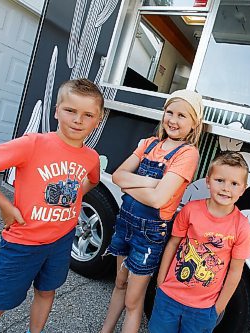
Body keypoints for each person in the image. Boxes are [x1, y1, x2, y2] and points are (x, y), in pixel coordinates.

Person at [0, 78, 104, 333]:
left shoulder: (90, 157)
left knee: (47, 292)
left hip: (61, 241)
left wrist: (73, 198)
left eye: (88, 114)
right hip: (22, 242)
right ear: (56, 109)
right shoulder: (33, 144)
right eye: (70, 110)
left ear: (98, 119)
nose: (78, 120)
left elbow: (92, 180)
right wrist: (6, 205)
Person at [100, 89, 204, 333]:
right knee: (119, 283)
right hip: (125, 224)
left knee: (133, 301)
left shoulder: (187, 154)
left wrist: (132, 182)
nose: (173, 120)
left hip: (150, 234)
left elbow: (158, 200)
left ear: (194, 123)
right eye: (170, 112)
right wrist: (153, 182)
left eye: (182, 116)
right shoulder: (149, 144)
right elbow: (117, 176)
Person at [148, 151, 250, 333]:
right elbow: (173, 244)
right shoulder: (191, 210)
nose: (225, 188)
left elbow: (235, 271)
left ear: (243, 189)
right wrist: (160, 281)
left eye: (234, 183)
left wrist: (218, 308)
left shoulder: (242, 227)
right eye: (219, 180)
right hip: (169, 297)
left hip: (203, 309)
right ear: (208, 181)